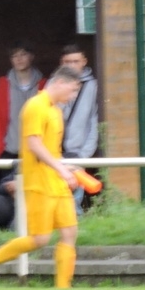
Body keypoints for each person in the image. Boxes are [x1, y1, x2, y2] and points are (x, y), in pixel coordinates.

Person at [0, 66, 83, 289]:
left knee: (70, 232)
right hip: (39, 183)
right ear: (59, 83)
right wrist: (60, 169)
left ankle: (64, 288)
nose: (72, 97)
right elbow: (34, 144)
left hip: (56, 182)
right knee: (40, 239)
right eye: (71, 91)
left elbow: (51, 150)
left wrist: (65, 167)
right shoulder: (35, 106)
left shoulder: (55, 110)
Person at [0, 40, 44, 195]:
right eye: (14, 56)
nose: (18, 59)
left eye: (23, 54)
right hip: (10, 149)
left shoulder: (43, 84)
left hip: (36, 151)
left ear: (31, 57)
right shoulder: (3, 84)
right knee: (8, 193)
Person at [59, 44, 99, 215]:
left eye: (76, 61)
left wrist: (84, 154)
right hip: (55, 152)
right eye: (68, 62)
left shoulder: (93, 86)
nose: (72, 65)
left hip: (78, 152)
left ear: (84, 61)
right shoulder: (54, 84)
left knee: (75, 198)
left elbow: (94, 122)